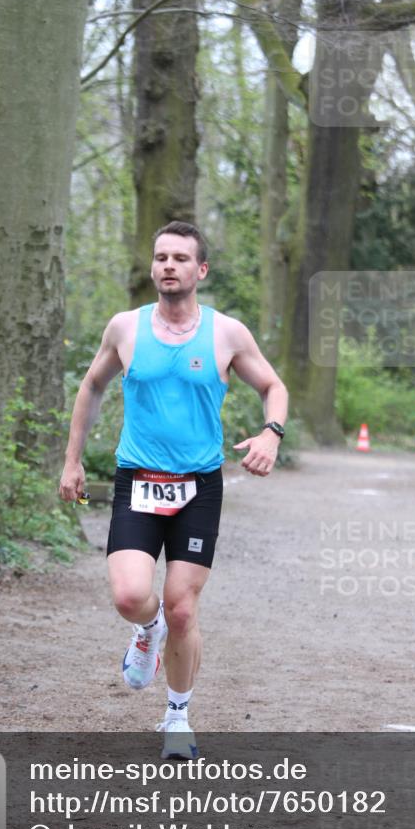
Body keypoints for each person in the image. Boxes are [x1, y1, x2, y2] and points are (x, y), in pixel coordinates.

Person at [58, 221, 288, 760]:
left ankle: (178, 716)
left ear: (200, 270)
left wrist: (271, 434)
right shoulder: (125, 328)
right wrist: (72, 461)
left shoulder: (227, 333)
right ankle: (146, 629)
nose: (168, 265)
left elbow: (273, 387)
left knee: (184, 608)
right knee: (131, 597)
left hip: (198, 487)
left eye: (180, 258)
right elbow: (91, 385)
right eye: (161, 256)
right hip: (137, 480)